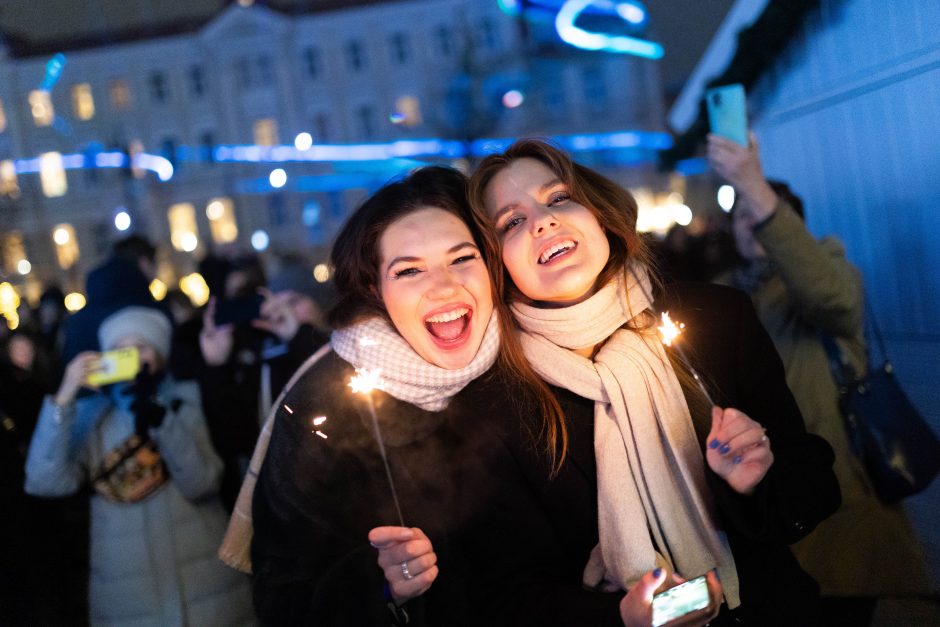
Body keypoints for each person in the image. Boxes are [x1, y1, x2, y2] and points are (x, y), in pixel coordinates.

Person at [465, 139, 841, 626]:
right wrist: (619, 617)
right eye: (511, 221)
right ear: (496, 265)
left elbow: (816, 488)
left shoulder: (716, 319)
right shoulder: (498, 403)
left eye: (558, 197)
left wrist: (754, 485)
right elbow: (509, 594)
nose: (542, 220)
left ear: (598, 213)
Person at [221, 166, 551, 625]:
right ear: (376, 289)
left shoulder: (534, 361)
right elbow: (283, 597)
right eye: (410, 269)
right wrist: (378, 584)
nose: (443, 286)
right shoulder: (329, 407)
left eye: (462, 258)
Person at [708, 132, 932, 626]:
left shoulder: (823, 274)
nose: (749, 223)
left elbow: (830, 297)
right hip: (764, 505)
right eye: (740, 214)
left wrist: (753, 186)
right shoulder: (725, 298)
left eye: (759, 214)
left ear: (789, 225)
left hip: (841, 500)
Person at [24, 305, 254, 626]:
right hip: (127, 600)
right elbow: (43, 481)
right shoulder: (91, 417)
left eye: (140, 347)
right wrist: (64, 397)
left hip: (208, 596)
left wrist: (161, 418)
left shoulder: (187, 400)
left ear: (160, 354)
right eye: (119, 350)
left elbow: (202, 483)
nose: (130, 356)